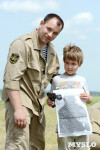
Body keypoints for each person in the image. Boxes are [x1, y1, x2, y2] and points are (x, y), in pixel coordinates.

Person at [1, 13, 64, 150]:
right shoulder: (22, 44)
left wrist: (54, 95)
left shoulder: (51, 51)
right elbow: (11, 79)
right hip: (20, 103)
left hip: (38, 108)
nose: (50, 34)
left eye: (55, 33)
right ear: (41, 23)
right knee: (18, 145)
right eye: (48, 29)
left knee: (37, 146)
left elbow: (55, 78)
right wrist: (18, 110)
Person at [47, 43, 92, 150]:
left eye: (73, 64)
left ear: (79, 64)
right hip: (64, 125)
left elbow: (89, 99)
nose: (70, 66)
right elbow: (52, 101)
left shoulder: (82, 80)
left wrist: (88, 98)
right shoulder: (57, 80)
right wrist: (50, 102)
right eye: (67, 63)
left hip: (81, 124)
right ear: (64, 62)